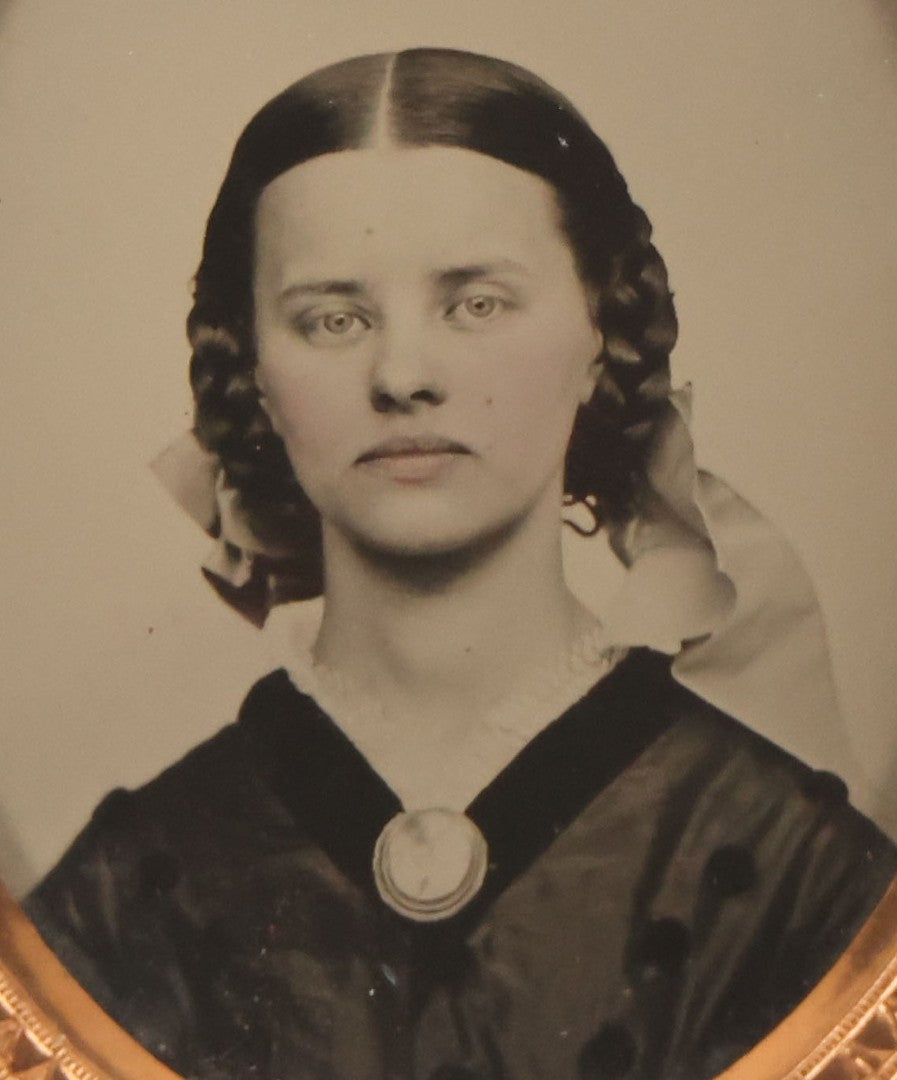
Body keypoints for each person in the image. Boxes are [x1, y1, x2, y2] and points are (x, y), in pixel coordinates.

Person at [24, 48, 897, 1080]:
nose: (403, 375)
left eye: (476, 304)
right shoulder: (122, 896)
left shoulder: (803, 876)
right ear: (254, 372)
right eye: (333, 319)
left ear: (598, 334)